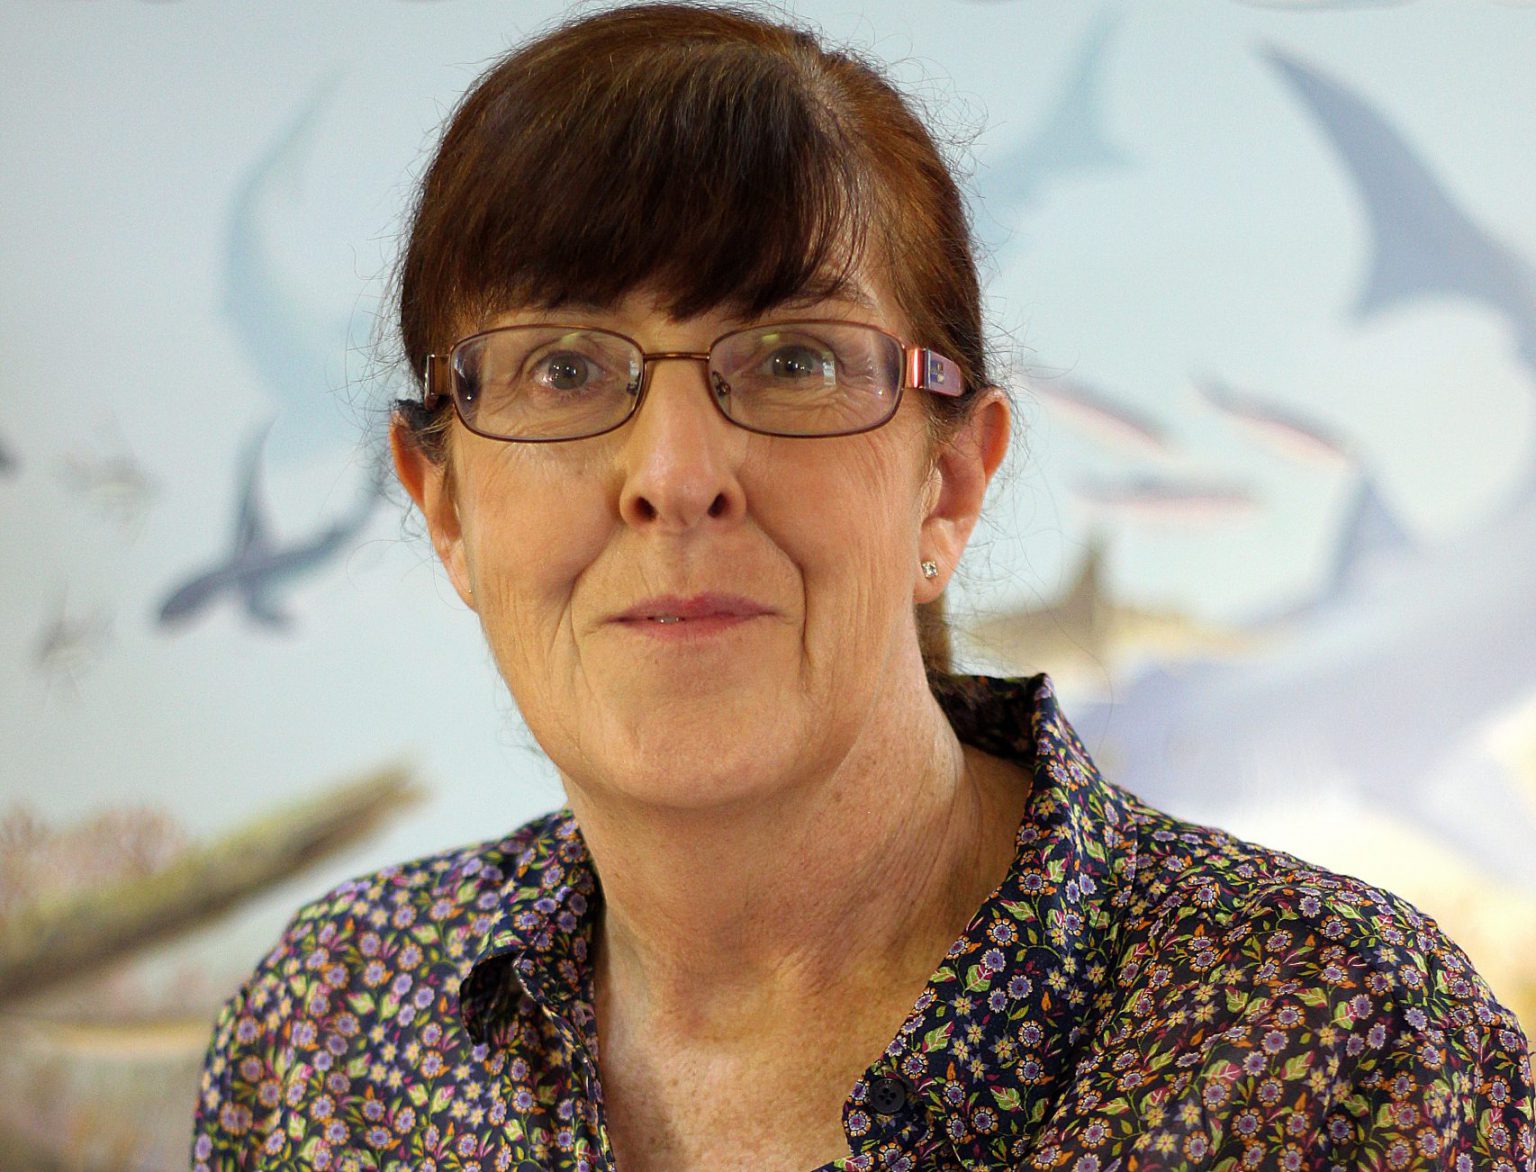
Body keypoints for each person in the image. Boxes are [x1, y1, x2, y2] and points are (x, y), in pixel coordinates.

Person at [192, 4, 1535, 1170]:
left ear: (948, 484)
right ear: (444, 506)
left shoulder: (1352, 1044)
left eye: (791, 361)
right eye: (564, 369)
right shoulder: (329, 1039)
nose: (674, 476)